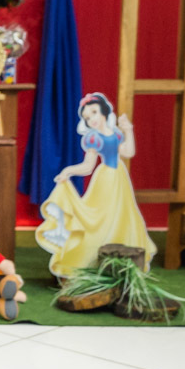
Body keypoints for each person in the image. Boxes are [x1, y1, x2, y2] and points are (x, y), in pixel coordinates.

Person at [35, 92, 156, 277]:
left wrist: (128, 129)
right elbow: (87, 166)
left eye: (94, 112)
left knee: (122, 214)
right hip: (105, 179)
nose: (91, 119)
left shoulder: (116, 134)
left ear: (104, 112)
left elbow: (128, 151)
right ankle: (91, 257)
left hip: (120, 179)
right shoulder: (93, 139)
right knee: (100, 216)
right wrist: (68, 171)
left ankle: (118, 258)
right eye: (87, 116)